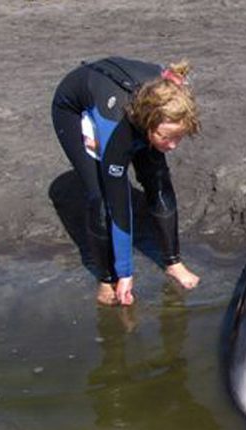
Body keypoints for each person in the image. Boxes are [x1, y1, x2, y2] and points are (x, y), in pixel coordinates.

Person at [51, 56, 201, 306]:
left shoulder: (170, 96)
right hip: (73, 110)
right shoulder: (116, 126)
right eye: (167, 137)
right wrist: (125, 273)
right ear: (149, 123)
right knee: (102, 201)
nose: (173, 146)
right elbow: (119, 205)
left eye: (179, 137)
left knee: (158, 179)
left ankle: (173, 263)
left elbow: (165, 133)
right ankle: (106, 278)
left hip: (128, 102)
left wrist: (162, 138)